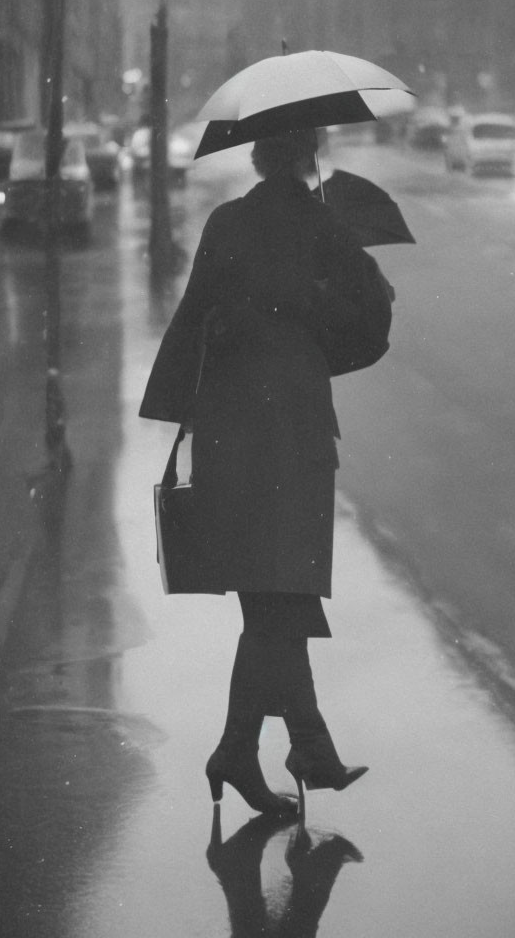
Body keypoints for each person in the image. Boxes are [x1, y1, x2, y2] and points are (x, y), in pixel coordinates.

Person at [139, 128, 392, 816]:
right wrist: (322, 318)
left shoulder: (228, 222)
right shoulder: (325, 228)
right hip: (292, 433)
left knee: (275, 596)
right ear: (308, 154)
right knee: (280, 594)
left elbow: (194, 321)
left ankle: (287, 746)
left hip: (232, 429)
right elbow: (371, 330)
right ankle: (259, 748)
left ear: (257, 158)